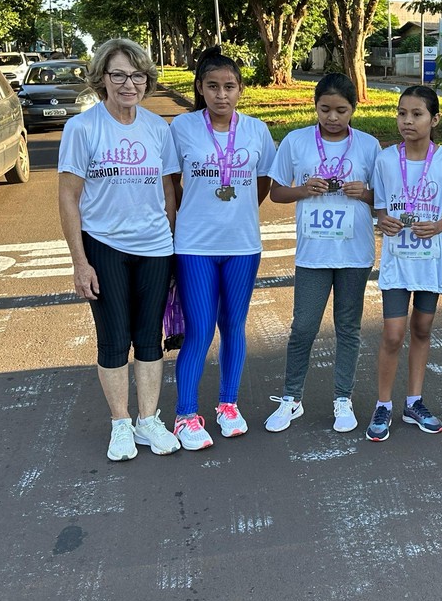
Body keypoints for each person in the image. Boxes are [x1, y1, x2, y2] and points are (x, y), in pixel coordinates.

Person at [57, 38, 181, 461]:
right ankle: (120, 425)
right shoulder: (83, 128)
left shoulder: (156, 128)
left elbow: (168, 191)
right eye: (119, 75)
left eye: (137, 76)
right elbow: (69, 197)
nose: (129, 84)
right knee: (113, 339)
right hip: (104, 245)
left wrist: (168, 239)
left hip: (154, 248)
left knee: (150, 337)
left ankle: (148, 420)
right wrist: (80, 262)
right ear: (102, 80)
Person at [168, 46, 277, 450]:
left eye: (229, 86)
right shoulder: (182, 128)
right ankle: (185, 414)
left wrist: (240, 212)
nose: (221, 95)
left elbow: (263, 181)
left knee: (234, 325)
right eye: (212, 86)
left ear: (240, 90)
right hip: (194, 245)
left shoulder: (256, 131)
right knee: (199, 329)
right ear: (199, 88)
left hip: (243, 245)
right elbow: (172, 183)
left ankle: (227, 405)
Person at [265, 74, 380, 434]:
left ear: (354, 109)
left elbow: (386, 200)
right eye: (325, 109)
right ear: (314, 106)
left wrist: (364, 192)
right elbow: (276, 193)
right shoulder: (296, 142)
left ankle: (342, 399)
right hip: (313, 254)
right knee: (303, 327)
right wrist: (303, 190)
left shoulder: (369, 145)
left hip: (354, 253)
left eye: (341, 110)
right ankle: (291, 398)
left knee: (348, 328)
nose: (333, 117)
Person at [365, 86, 442, 441]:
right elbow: (378, 204)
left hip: (430, 262)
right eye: (402, 113)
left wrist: (438, 226)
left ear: (434, 119)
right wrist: (382, 219)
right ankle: (383, 404)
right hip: (397, 263)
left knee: (422, 330)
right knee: (393, 334)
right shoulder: (386, 159)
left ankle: (414, 401)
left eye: (417, 114)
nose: (408, 121)